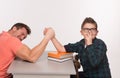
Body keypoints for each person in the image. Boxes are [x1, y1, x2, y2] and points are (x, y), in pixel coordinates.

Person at [44, 17, 111, 78]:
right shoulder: (81, 44)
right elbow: (62, 49)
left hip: (101, 76)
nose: (89, 32)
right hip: (88, 75)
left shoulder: (100, 44)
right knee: (67, 75)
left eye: (92, 29)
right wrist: (52, 37)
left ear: (96, 32)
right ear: (81, 32)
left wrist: (89, 44)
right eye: (86, 29)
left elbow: (94, 63)